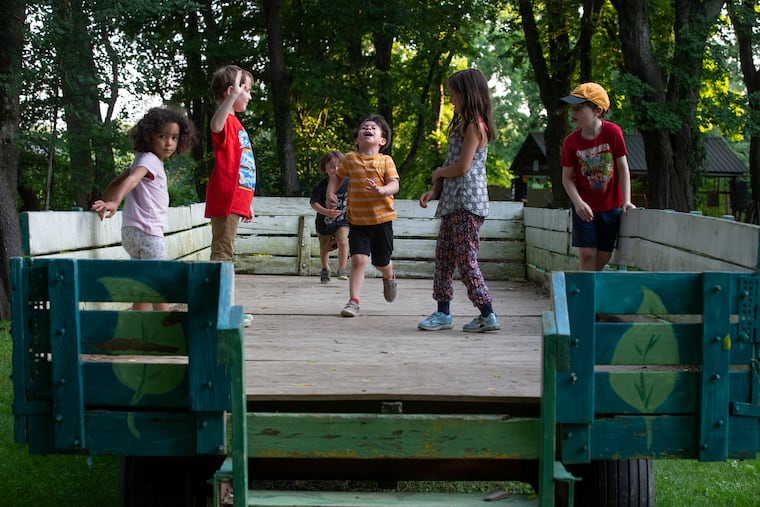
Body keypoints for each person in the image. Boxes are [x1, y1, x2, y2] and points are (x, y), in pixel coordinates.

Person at [417, 68, 501, 333]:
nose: (451, 99)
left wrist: (439, 172)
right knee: (443, 257)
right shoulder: (461, 124)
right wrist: (435, 190)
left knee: (466, 260)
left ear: (468, 94)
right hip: (453, 202)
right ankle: (443, 313)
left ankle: (487, 313)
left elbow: (462, 167)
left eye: (454, 94)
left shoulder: (475, 125)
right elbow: (452, 164)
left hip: (468, 204)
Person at [91, 106, 196, 311]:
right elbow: (131, 180)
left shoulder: (142, 159)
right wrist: (114, 203)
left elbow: (121, 179)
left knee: (144, 286)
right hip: (148, 233)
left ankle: (139, 330)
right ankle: (166, 332)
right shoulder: (149, 160)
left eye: (174, 137)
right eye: (162, 136)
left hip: (132, 233)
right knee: (159, 285)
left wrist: (107, 198)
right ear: (149, 136)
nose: (169, 143)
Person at [327, 114, 399, 317]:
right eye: (364, 127)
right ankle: (353, 301)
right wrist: (330, 192)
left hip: (382, 220)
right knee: (358, 259)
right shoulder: (350, 159)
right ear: (356, 139)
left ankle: (389, 276)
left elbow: (395, 184)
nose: (368, 128)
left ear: (382, 140)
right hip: (357, 221)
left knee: (381, 262)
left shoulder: (385, 160)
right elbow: (337, 175)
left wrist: (382, 190)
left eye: (373, 128)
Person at [559, 82, 635, 271]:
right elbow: (567, 178)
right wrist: (578, 203)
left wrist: (626, 201)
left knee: (603, 255)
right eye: (572, 108)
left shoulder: (613, 133)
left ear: (597, 111)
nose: (573, 113)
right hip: (584, 207)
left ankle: (590, 289)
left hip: (611, 207)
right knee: (587, 254)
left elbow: (623, 167)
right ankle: (584, 298)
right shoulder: (571, 142)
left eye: (579, 108)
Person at [205, 64, 257, 326]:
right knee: (222, 255)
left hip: (234, 202)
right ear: (231, 91)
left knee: (226, 253)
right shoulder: (226, 121)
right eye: (245, 90)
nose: (248, 96)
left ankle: (222, 308)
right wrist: (230, 98)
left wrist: (246, 203)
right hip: (225, 201)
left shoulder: (236, 124)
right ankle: (219, 312)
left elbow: (242, 168)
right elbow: (215, 124)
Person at [310, 150, 349, 283]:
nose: (336, 169)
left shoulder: (349, 183)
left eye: (339, 165)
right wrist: (325, 212)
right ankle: (325, 268)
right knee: (324, 248)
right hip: (324, 222)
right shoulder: (321, 186)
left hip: (343, 220)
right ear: (325, 169)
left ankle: (342, 269)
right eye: (331, 166)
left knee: (343, 241)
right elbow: (314, 203)